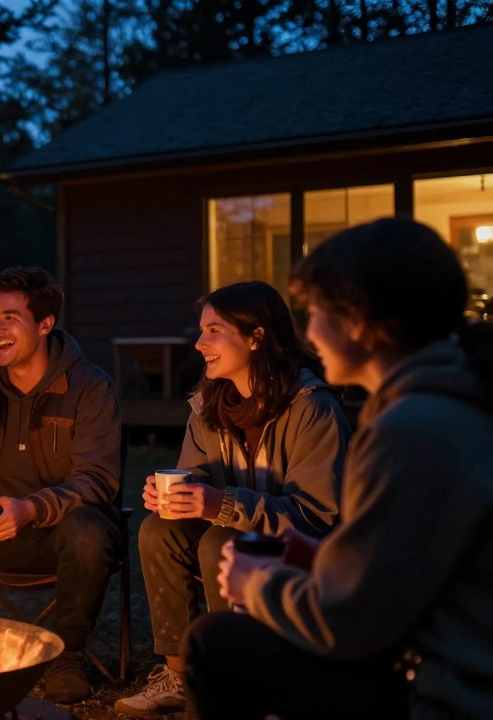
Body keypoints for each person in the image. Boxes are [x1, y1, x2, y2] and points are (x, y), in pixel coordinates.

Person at [186, 218, 493, 720]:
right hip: (436, 655)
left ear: (357, 321)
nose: (307, 333)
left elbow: (346, 624)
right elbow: (408, 570)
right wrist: (318, 560)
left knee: (216, 643)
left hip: (447, 691)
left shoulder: (414, 427)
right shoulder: (453, 398)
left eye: (315, 314)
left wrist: (256, 582)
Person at [115, 281, 350, 716]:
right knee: (158, 530)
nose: (200, 344)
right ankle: (183, 673)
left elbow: (318, 517)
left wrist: (222, 505)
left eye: (214, 331)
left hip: (303, 554)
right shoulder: (209, 405)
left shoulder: (311, 408)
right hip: (234, 537)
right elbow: (196, 476)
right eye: (201, 331)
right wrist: (172, 495)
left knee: (219, 541)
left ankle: (236, 679)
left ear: (256, 336)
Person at [0, 266, 122, 704]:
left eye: (10, 317)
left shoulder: (89, 387)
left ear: (45, 323)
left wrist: (32, 509)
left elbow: (98, 481)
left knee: (90, 527)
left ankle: (67, 654)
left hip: (58, 535)